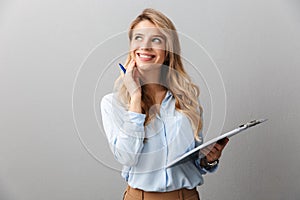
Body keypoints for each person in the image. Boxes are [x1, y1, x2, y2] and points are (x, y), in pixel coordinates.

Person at [101, 8, 229, 200]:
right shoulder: (113, 103)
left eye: (156, 40)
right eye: (138, 38)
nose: (145, 46)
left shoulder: (187, 100)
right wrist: (135, 96)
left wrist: (208, 161)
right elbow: (127, 157)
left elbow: (192, 163)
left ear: (168, 52)